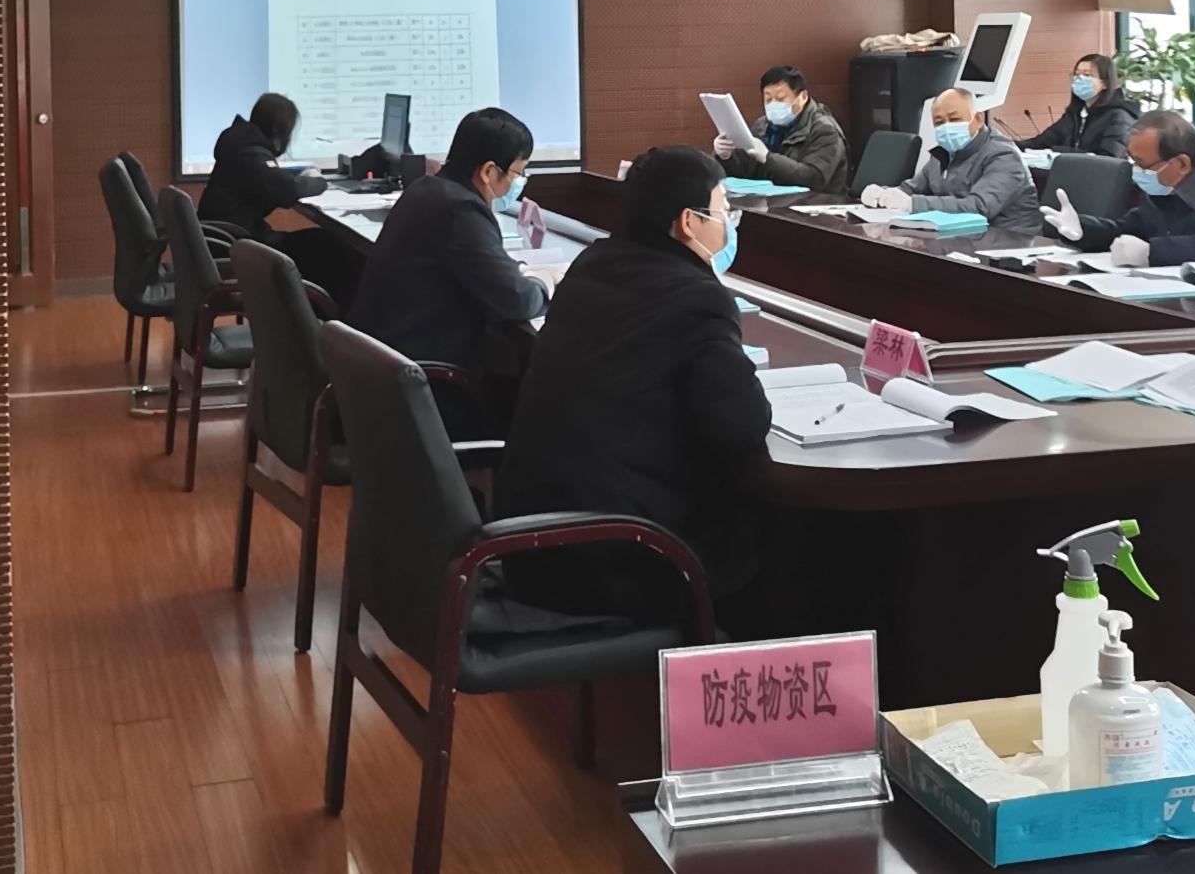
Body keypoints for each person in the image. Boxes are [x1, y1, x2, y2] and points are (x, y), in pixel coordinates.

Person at [498, 147, 773, 627]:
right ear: (688, 222)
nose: (728, 223)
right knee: (780, 529)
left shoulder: (592, 263)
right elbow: (743, 426)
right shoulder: (699, 297)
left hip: (529, 540)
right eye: (724, 209)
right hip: (618, 556)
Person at [348, 107, 547, 431]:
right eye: (516, 173)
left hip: (382, 369)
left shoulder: (428, 189)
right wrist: (543, 284)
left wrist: (511, 269)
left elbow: (479, 262)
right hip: (421, 386)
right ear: (488, 171)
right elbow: (515, 299)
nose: (517, 183)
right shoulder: (461, 209)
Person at [1040, 109, 1195, 267]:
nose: (1136, 172)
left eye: (1142, 164)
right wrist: (1084, 229)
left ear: (1181, 163)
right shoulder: (1164, 184)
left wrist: (1155, 252)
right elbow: (1134, 230)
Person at [197, 92, 360, 307]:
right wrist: (320, 183)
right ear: (277, 132)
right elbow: (285, 191)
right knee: (333, 251)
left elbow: (269, 178)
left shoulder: (241, 143)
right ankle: (327, 318)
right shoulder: (251, 153)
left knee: (323, 242)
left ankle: (320, 317)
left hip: (230, 240)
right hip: (239, 245)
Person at [860, 88, 1045, 236]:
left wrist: (912, 204)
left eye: (955, 119)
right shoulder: (943, 153)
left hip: (1008, 246)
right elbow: (911, 189)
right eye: (939, 122)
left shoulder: (1003, 155)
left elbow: (978, 208)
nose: (947, 127)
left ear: (978, 119)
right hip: (959, 239)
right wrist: (883, 194)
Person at [716, 65, 849, 193]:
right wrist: (726, 156)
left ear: (803, 97)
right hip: (769, 200)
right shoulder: (762, 125)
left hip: (816, 203)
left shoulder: (824, 130)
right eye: (768, 99)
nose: (773, 104)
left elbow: (815, 179)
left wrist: (768, 158)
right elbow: (745, 172)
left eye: (780, 99)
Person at [1019, 54, 1139, 159]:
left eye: (1087, 75)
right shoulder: (1075, 114)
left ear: (1105, 83)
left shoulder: (1119, 116)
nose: (1079, 79)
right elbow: (1041, 142)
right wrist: (1011, 146)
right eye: (1076, 74)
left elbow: (1109, 158)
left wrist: (1057, 152)